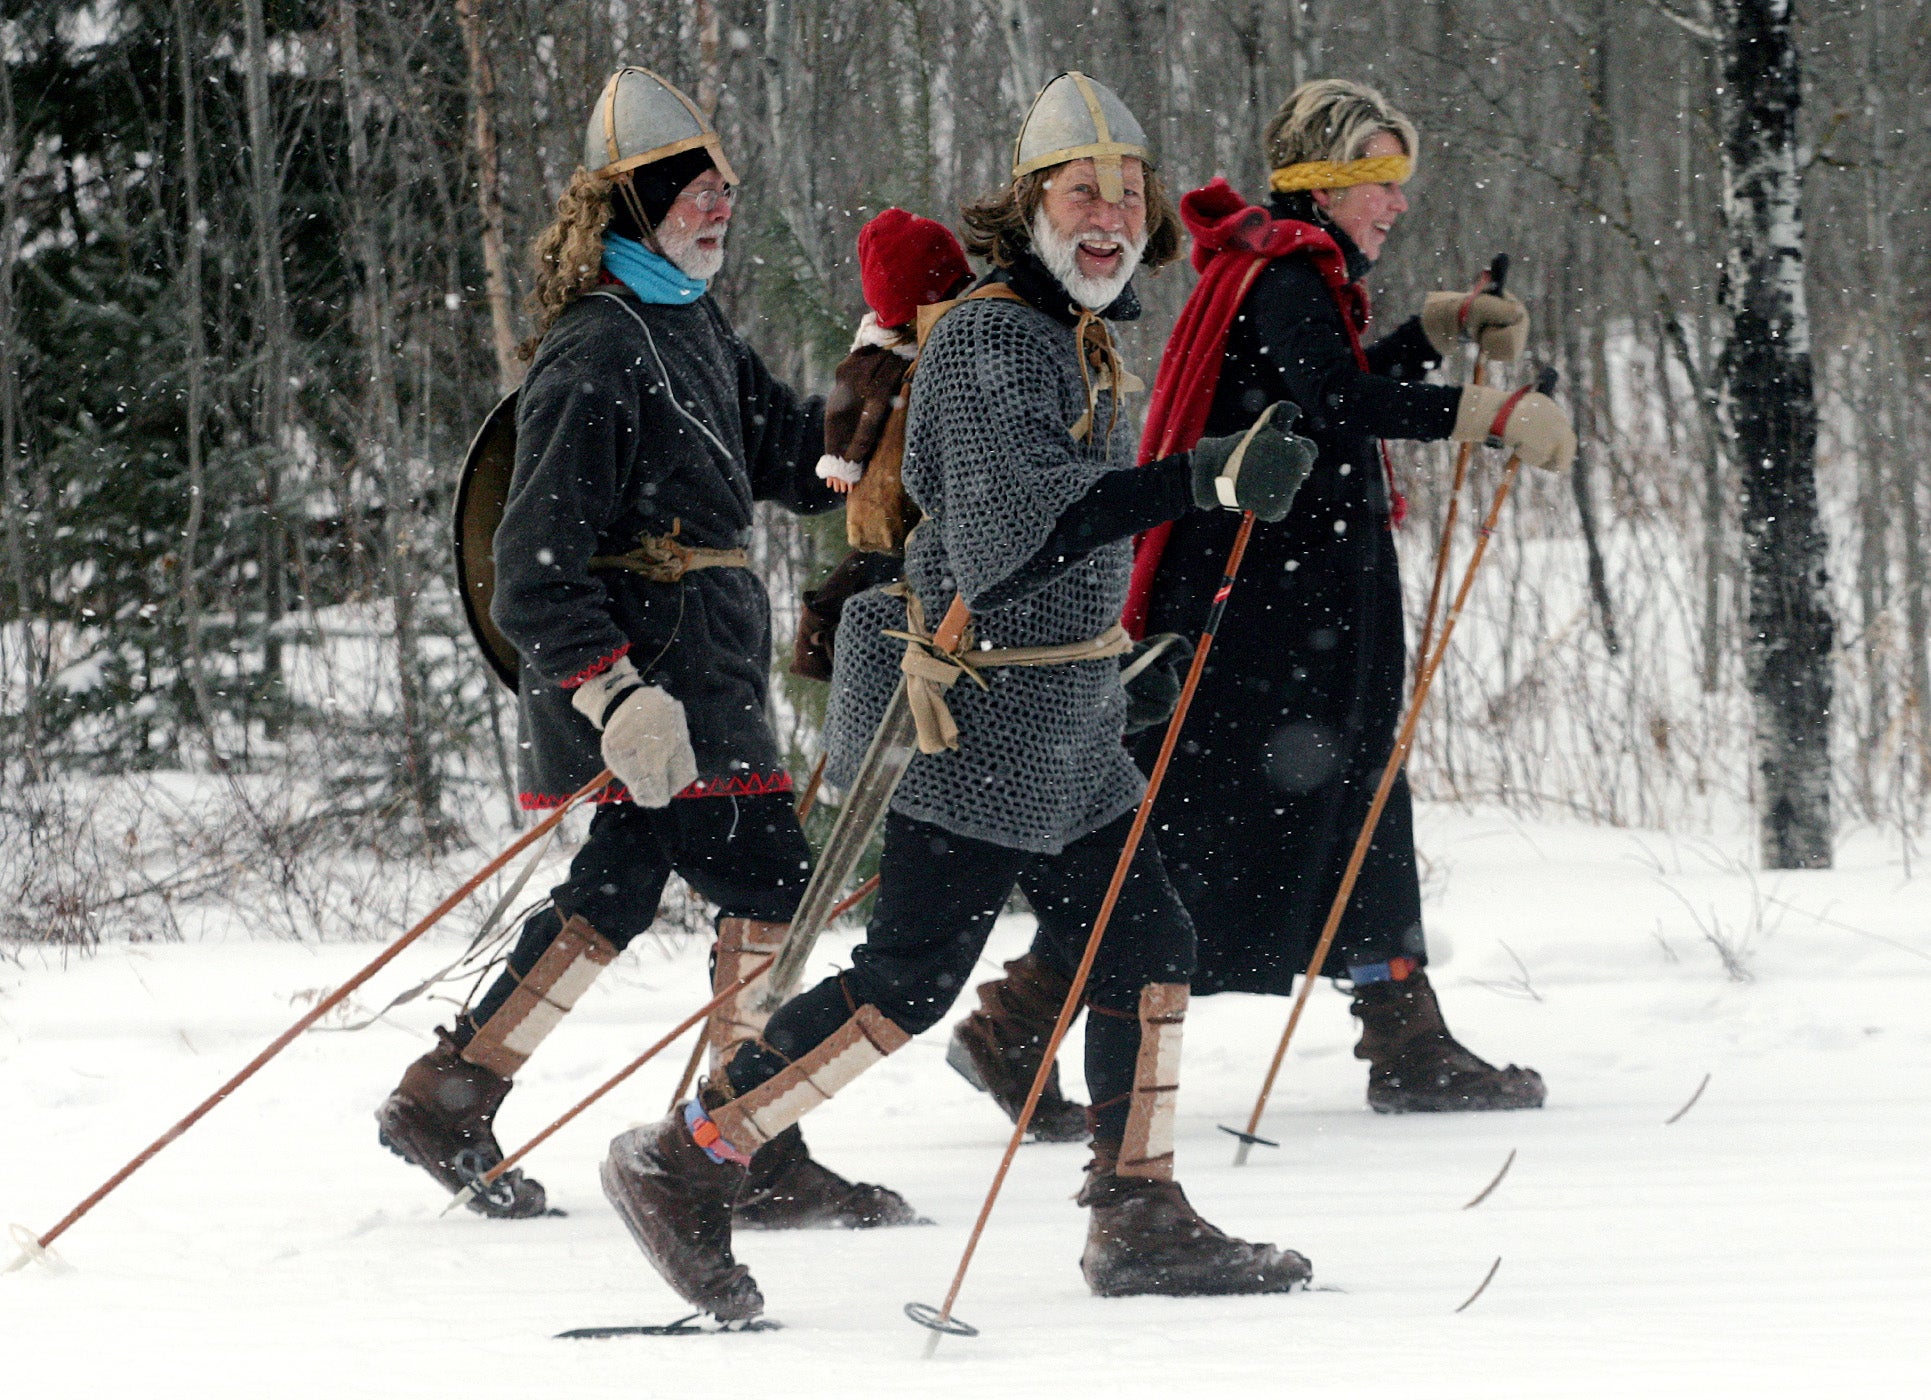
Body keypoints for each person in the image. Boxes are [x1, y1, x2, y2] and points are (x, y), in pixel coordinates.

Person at [598, 72, 1322, 1323]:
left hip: (1067, 715)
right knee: (910, 977)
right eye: (1081, 190)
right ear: (1028, 203)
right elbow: (1009, 537)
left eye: (1127, 193)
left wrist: (1126, 631)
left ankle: (1136, 1214)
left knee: (1148, 940)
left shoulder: (1075, 332)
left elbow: (1069, 534)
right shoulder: (992, 335)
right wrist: (1195, 480)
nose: (1108, 215)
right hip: (977, 715)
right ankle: (689, 1156)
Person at [956, 79, 1573, 1124]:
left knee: (1349, 795)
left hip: (1295, 596)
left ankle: (1396, 1025)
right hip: (1262, 610)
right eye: (1377, 180)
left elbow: (1311, 391)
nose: (1395, 203)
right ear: (1326, 183)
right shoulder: (1285, 270)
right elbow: (1332, 404)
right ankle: (1023, 1015)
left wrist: (1429, 329)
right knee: (1203, 818)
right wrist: (1483, 411)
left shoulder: (1289, 269)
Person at [375, 66, 920, 1230]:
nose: (719, 202)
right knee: (771, 880)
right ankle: (744, 1145)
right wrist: (611, 692)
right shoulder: (597, 347)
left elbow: (793, 463)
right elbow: (530, 563)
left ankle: (448, 1092)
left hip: (705, 663)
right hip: (652, 678)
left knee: (617, 887)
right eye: (693, 189)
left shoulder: (686, 315)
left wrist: (873, 380)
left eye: (724, 184)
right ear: (634, 205)